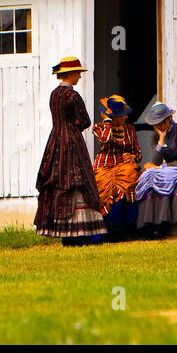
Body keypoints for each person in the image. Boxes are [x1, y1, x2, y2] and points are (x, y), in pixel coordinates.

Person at [35, 57, 106, 245]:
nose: (80, 77)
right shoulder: (73, 96)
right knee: (77, 181)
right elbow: (85, 121)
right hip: (73, 142)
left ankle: (65, 233)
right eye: (78, 73)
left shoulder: (54, 95)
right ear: (71, 73)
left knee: (59, 181)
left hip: (56, 142)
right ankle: (80, 233)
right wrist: (75, 124)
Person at [135, 102, 177, 238]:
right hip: (167, 169)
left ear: (168, 119)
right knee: (149, 175)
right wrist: (161, 139)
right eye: (155, 124)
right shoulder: (155, 135)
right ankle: (148, 223)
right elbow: (156, 161)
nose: (157, 126)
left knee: (165, 174)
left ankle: (163, 223)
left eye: (160, 122)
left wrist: (159, 167)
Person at [92, 95, 142, 240]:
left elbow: (138, 152)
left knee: (129, 179)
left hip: (124, 165)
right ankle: (105, 232)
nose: (126, 118)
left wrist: (132, 157)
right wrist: (107, 121)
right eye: (122, 115)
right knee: (103, 189)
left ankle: (123, 229)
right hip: (104, 166)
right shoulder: (100, 128)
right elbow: (106, 140)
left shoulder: (130, 129)